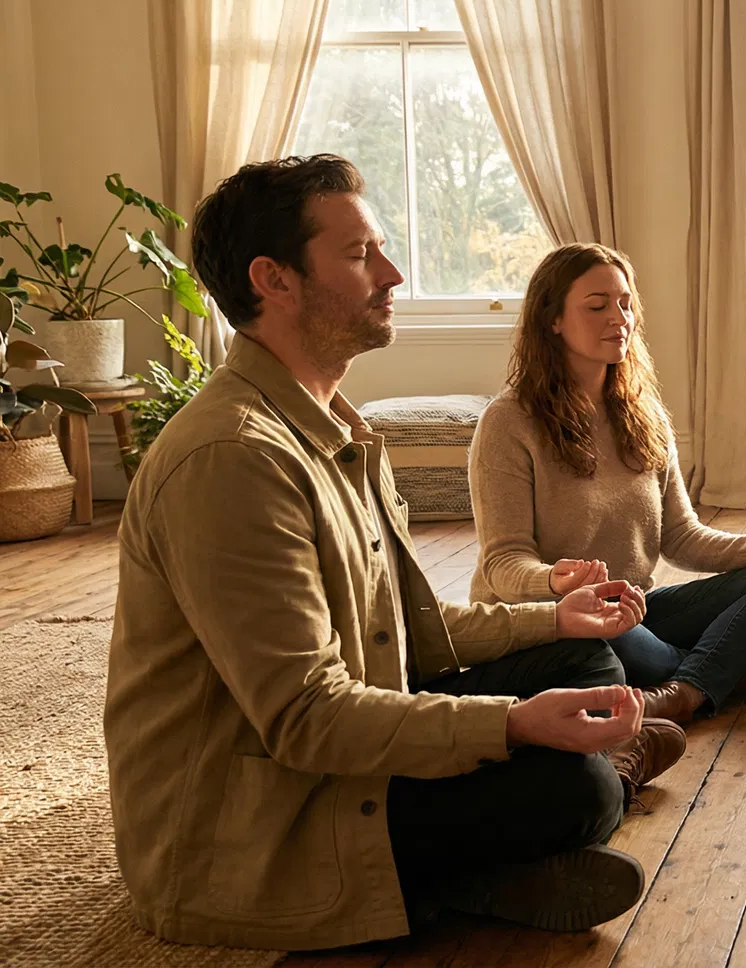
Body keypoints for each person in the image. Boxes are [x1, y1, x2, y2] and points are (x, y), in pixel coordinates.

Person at [106, 156, 686, 950]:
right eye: (359, 255)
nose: (393, 272)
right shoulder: (232, 460)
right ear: (274, 280)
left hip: (341, 754)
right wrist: (511, 725)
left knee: (586, 661)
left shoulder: (333, 428)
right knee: (573, 781)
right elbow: (307, 719)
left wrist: (555, 618)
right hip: (267, 818)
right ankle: (500, 859)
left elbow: (405, 630)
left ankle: (497, 865)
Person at [468, 243, 746, 726]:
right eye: (597, 306)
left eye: (625, 303)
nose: (618, 317)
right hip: (555, 619)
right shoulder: (508, 422)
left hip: (632, 612)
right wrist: (554, 580)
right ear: (552, 319)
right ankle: (722, 671)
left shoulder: (644, 415)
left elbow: (682, 538)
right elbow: (502, 564)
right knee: (613, 652)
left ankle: (683, 686)